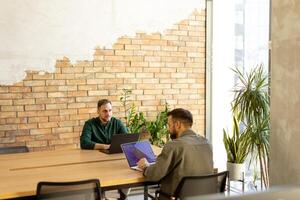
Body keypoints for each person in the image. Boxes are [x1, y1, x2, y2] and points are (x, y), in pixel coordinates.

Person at [137, 108, 213, 198]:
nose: (168, 129)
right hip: (204, 196)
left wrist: (145, 166)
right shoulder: (207, 143)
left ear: (177, 125)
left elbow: (155, 175)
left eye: (169, 125)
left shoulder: (173, 145)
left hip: (175, 197)